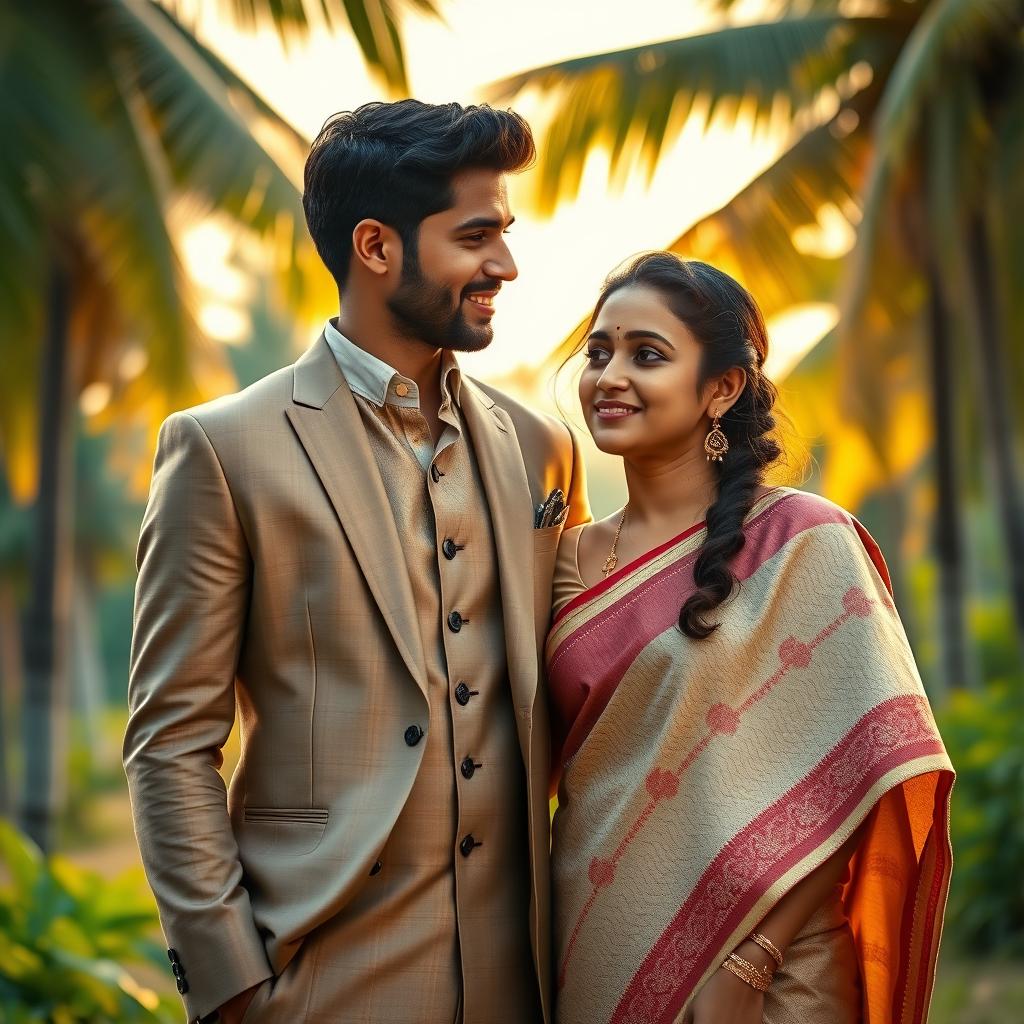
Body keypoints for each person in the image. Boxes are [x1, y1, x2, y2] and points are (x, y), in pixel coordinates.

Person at [123, 99, 589, 1024]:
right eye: (476, 235)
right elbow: (171, 740)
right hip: (320, 981)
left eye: (505, 231)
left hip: (525, 986)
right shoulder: (224, 449)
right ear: (376, 248)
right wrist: (232, 988)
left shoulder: (540, 447)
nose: (505, 263)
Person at [546, 253, 953, 1024]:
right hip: (597, 942)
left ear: (722, 389)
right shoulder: (562, 558)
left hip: (769, 973)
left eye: (648, 355)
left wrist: (750, 961)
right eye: (598, 352)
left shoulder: (804, 541)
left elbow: (868, 764)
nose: (610, 376)